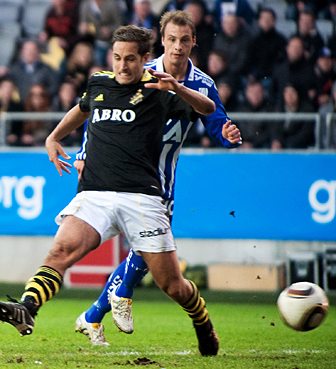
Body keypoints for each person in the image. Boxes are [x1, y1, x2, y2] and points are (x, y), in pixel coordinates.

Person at [0, 25, 225, 357]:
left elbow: (206, 109)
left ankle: (201, 321)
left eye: (130, 59)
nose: (122, 66)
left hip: (142, 198)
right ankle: (27, 307)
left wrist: (177, 88)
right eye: (117, 58)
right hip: (96, 193)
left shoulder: (158, 90)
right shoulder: (100, 82)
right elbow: (83, 108)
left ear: (146, 58)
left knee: (172, 285)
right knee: (60, 252)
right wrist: (54, 136)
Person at [73, 10, 242, 347]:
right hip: (123, 167)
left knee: (149, 248)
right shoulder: (140, 71)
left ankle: (95, 313)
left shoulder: (203, 84)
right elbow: (102, 111)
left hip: (160, 175)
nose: (177, 47)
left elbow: (215, 121)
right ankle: (114, 299)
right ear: (161, 41)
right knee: (148, 247)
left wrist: (227, 133)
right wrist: (83, 153)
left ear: (194, 41)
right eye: (171, 39)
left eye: (184, 40)